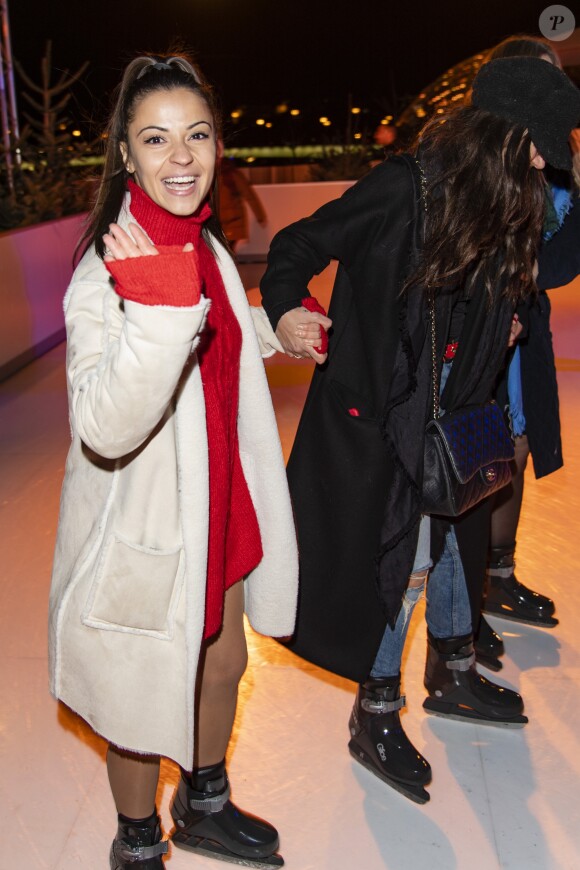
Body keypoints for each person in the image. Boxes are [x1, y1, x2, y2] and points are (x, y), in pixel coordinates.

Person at [260, 57, 580, 803]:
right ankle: (374, 714)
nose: (547, 161)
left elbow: (539, 273)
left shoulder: (512, 194)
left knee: (455, 546)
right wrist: (286, 310)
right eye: (540, 145)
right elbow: (300, 244)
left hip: (461, 412)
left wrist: (492, 325)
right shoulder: (406, 187)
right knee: (399, 564)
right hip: (388, 413)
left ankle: (454, 669)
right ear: (507, 134)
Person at [48, 52, 298, 869]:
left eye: (197, 134)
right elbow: (103, 423)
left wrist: (271, 332)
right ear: (125, 154)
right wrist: (155, 309)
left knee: (223, 657)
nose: (181, 157)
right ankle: (136, 842)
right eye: (156, 140)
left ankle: (205, 801)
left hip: (218, 495)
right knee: (141, 693)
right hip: (148, 522)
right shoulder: (106, 270)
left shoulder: (205, 243)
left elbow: (211, 350)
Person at [474, 37, 580, 663]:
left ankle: (499, 576)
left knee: (515, 449)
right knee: (477, 462)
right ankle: (462, 601)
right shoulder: (484, 164)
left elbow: (559, 267)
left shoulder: (554, 162)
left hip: (524, 330)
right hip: (481, 329)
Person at [217, 155, 267, 251]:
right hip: (227, 220)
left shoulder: (233, 176)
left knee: (226, 249)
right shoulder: (217, 177)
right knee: (226, 249)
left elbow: (250, 196)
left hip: (232, 220)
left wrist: (260, 216)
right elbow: (250, 196)